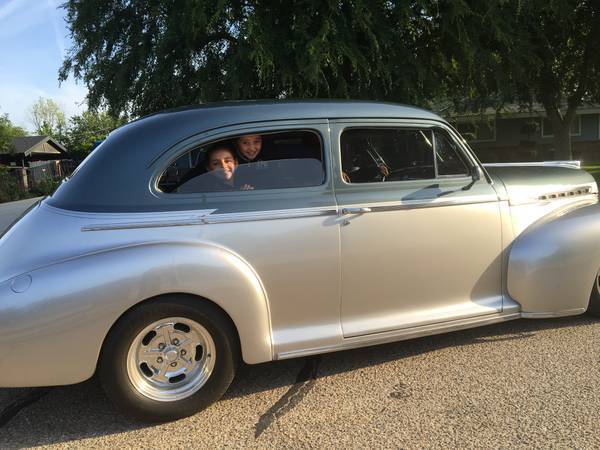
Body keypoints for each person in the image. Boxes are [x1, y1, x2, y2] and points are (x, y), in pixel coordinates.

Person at [177, 144, 253, 192]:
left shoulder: (245, 181)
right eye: (216, 163)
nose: (223, 166)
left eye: (227, 161)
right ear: (209, 168)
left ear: (235, 163)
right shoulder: (208, 190)